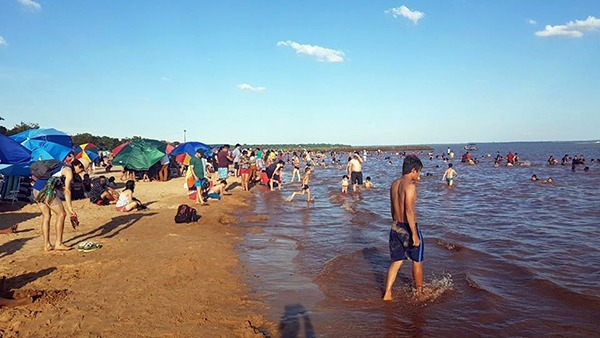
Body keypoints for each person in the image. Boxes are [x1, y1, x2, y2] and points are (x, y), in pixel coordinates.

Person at [383, 155, 424, 301]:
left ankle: (387, 293)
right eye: (418, 172)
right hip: (408, 227)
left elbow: (393, 207)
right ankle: (419, 293)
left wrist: (396, 223)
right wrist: (414, 234)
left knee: (397, 261)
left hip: (395, 226)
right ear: (413, 170)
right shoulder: (410, 186)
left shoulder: (394, 184)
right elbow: (409, 211)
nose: (418, 175)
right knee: (417, 261)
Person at [32, 159, 85, 251]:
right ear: (77, 166)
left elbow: (52, 180)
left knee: (46, 216)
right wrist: (70, 209)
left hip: (36, 189)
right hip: (46, 191)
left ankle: (47, 245)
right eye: (82, 169)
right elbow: (67, 191)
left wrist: (61, 188)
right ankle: (58, 243)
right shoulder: (68, 171)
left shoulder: (61, 167)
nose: (81, 171)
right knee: (61, 214)